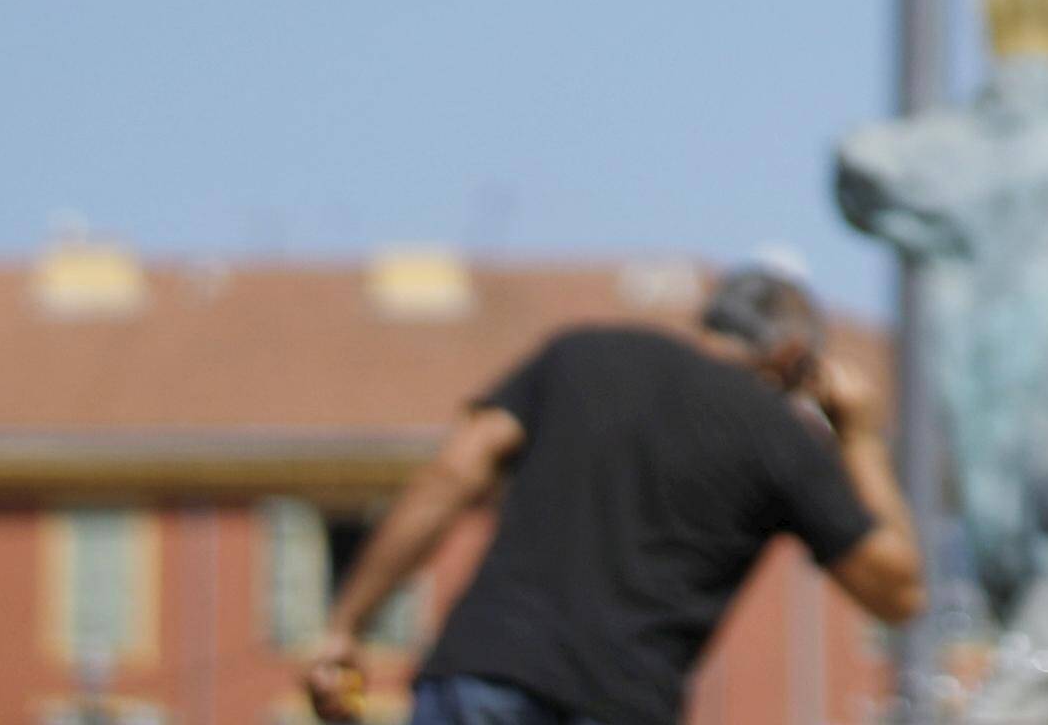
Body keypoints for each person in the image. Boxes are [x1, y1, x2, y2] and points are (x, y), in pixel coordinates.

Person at [299, 268, 921, 725]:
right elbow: (897, 591)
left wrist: (346, 624)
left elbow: (452, 475)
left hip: (483, 673)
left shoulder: (582, 354)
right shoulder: (780, 437)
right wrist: (859, 438)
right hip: (619, 700)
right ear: (791, 356)